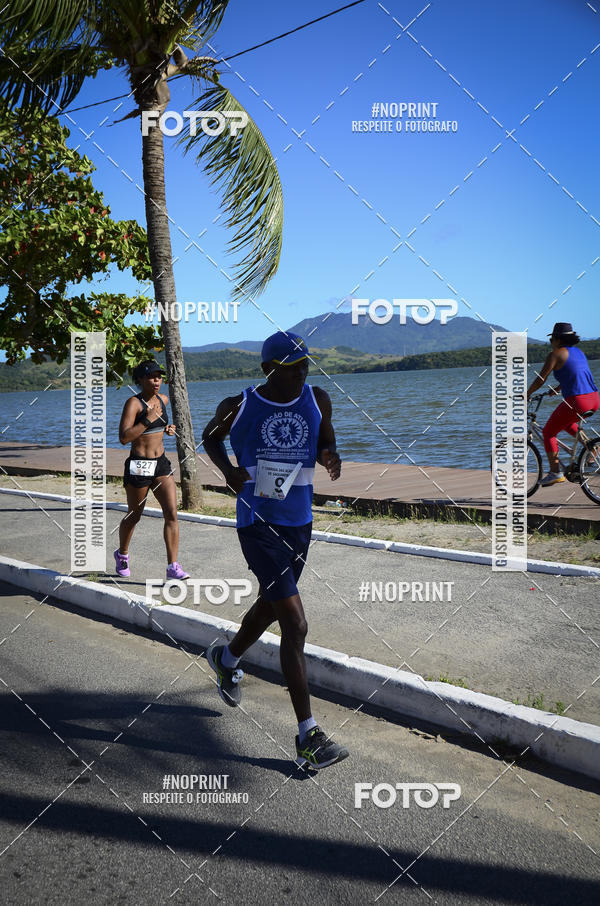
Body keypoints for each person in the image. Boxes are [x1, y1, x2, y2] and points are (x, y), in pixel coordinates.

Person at [202, 331, 349, 771]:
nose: (303, 372)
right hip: (257, 524)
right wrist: (228, 470)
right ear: (269, 369)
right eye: (293, 367)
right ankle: (309, 736)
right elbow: (209, 437)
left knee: (272, 606)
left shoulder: (317, 398)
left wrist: (329, 457)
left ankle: (226, 659)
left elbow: (327, 439)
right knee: (296, 624)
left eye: (305, 364)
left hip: (299, 523)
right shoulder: (240, 403)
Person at [115, 360, 189, 580]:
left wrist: (168, 428)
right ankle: (122, 554)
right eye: (151, 377)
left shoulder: (163, 400)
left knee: (172, 514)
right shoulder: (134, 404)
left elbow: (159, 425)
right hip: (139, 465)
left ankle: (172, 567)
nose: (157, 381)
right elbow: (123, 437)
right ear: (140, 379)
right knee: (134, 515)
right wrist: (147, 420)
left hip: (161, 464)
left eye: (159, 376)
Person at [527, 322, 599, 486]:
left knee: (548, 433)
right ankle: (591, 448)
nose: (551, 342)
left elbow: (540, 379)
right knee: (566, 424)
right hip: (594, 399)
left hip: (578, 400)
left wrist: (527, 394)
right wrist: (559, 388)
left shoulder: (555, 355)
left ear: (557, 339)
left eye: (552, 338)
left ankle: (555, 472)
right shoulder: (579, 352)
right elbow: (577, 374)